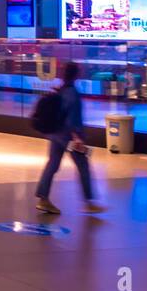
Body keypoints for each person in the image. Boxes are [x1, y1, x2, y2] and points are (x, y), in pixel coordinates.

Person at [35, 61, 105, 214]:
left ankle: (43, 198)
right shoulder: (72, 93)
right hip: (69, 137)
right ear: (76, 75)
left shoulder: (60, 90)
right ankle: (89, 202)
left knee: (52, 164)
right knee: (83, 165)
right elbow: (72, 119)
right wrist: (77, 138)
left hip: (55, 134)